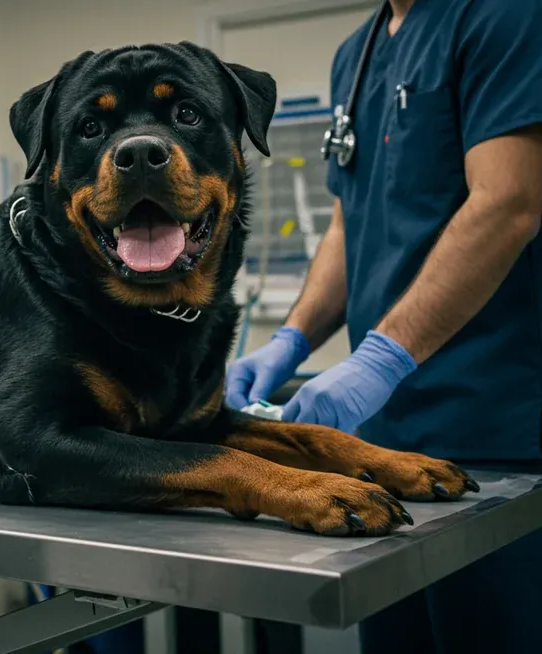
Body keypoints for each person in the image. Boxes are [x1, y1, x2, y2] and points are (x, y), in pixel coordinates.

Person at [226, 0, 542, 652]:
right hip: (386, 457)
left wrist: (380, 360)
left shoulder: (508, 16)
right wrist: (290, 342)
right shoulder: (358, 52)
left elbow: (509, 202)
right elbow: (349, 223)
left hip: (499, 435)